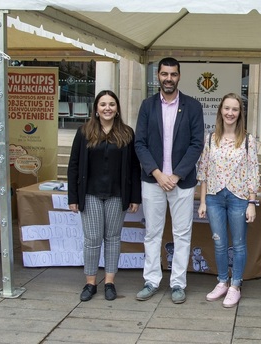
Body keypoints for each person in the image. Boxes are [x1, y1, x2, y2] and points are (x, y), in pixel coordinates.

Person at [134, 57, 204, 304]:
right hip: (153, 181)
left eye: (173, 74)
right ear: (158, 77)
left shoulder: (193, 107)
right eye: (164, 74)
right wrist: (157, 173)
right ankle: (151, 281)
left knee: (182, 234)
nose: (168, 78)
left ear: (179, 76)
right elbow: (139, 143)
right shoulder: (147, 106)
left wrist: (175, 175)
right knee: (152, 233)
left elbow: (197, 144)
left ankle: (177, 284)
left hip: (181, 182)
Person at [67, 90, 142, 302]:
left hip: (117, 195)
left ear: (117, 109)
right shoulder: (84, 132)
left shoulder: (127, 133)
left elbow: (134, 168)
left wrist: (135, 197)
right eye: (103, 104)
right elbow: (73, 166)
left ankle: (109, 282)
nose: (107, 108)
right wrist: (73, 197)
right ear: (96, 109)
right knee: (92, 239)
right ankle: (90, 283)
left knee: (113, 239)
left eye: (111, 104)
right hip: (90, 194)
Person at [197, 93, 260, 308]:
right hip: (214, 197)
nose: (230, 113)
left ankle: (236, 285)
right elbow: (204, 171)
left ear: (240, 113)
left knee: (239, 244)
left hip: (239, 198)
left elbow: (253, 171)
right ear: (220, 111)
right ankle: (222, 281)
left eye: (235, 109)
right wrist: (203, 201)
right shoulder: (210, 138)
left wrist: (252, 202)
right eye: (227, 108)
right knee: (219, 242)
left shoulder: (248, 140)